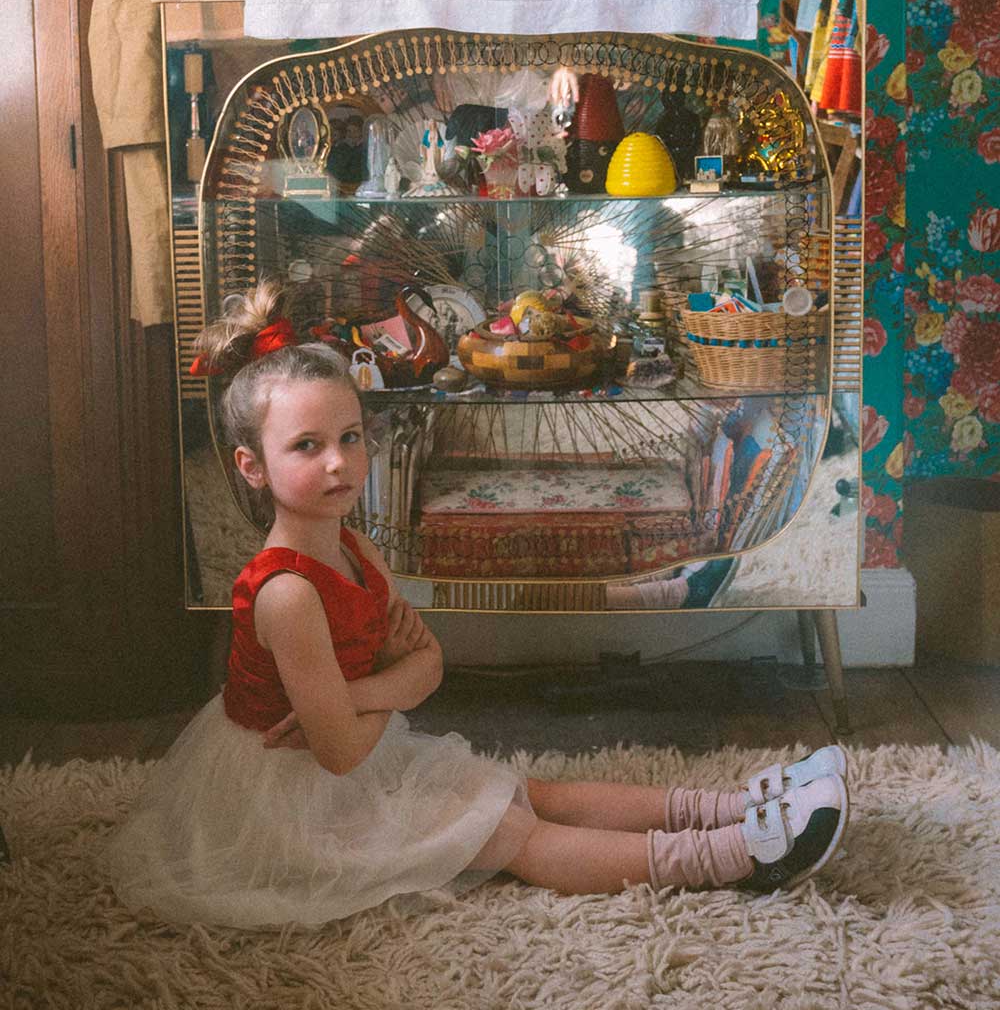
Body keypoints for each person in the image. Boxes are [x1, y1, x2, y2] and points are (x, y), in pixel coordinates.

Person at [107, 281, 849, 929]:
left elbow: (425, 670)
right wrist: (391, 689)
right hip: (297, 798)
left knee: (523, 791)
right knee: (510, 833)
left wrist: (363, 691)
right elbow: (338, 749)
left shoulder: (357, 550)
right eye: (305, 446)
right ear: (252, 467)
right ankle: (735, 857)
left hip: (356, 747)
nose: (338, 462)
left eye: (351, 437)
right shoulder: (289, 594)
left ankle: (732, 806)